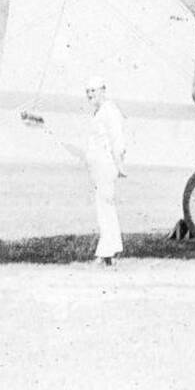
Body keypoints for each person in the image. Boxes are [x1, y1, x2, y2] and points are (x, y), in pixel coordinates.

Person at [84, 75, 127, 264]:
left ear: (103, 90)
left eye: (93, 91)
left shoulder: (110, 111)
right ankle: (111, 251)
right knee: (105, 207)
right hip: (98, 166)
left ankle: (104, 253)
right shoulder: (99, 111)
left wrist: (119, 165)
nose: (90, 95)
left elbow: (117, 140)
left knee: (105, 207)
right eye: (88, 91)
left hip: (106, 166)